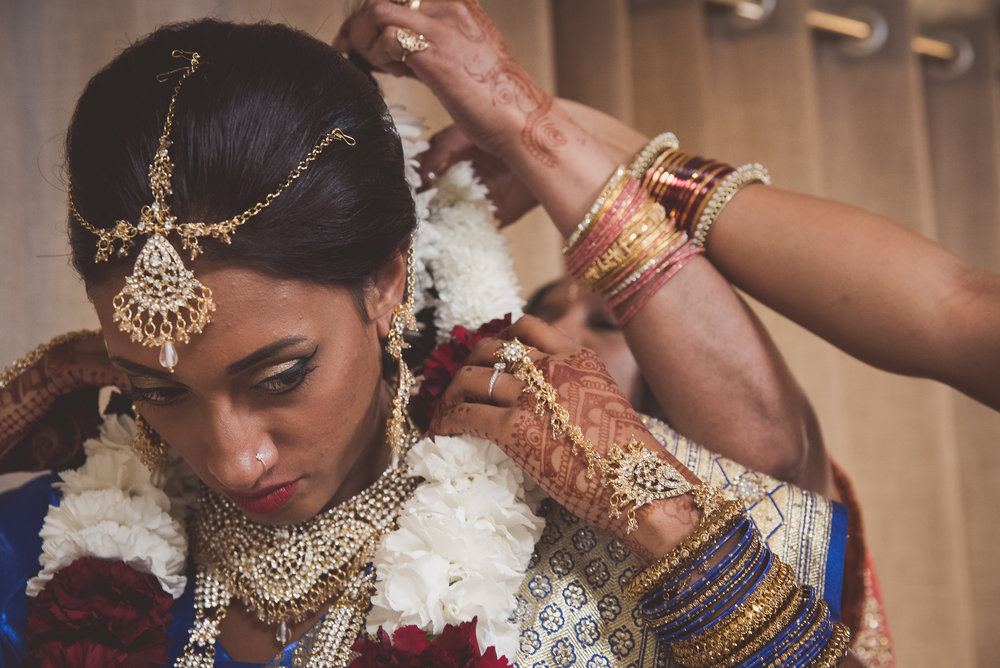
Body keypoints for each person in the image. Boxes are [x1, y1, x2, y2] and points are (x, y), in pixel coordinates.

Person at [0, 3, 865, 666]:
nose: (233, 460)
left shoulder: (579, 530)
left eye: (280, 377)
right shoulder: (41, 548)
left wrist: (657, 515)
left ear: (386, 281)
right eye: (160, 390)